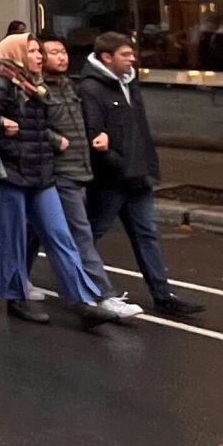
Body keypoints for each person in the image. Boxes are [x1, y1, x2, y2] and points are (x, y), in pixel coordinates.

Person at [0, 36, 128, 328]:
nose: (38, 56)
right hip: (12, 176)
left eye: (39, 51)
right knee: (13, 239)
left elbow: (41, 129)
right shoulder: (1, 86)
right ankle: (16, 300)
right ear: (14, 55)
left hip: (42, 174)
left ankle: (82, 301)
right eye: (31, 51)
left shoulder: (36, 87)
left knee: (61, 236)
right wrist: (17, 147)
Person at [78, 33, 205, 319]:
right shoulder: (90, 89)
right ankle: (80, 289)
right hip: (110, 181)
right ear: (106, 57)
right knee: (89, 235)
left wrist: (147, 166)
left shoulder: (129, 82)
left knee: (147, 235)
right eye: (125, 55)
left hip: (138, 177)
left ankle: (163, 295)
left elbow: (140, 131)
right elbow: (94, 136)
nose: (132, 59)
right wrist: (120, 164)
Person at [40, 38, 140, 318]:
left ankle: (15, 280)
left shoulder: (71, 86)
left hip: (80, 170)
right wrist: (55, 140)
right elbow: (31, 124)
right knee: (81, 233)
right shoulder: (39, 89)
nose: (61, 57)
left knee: (37, 232)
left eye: (63, 51)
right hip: (60, 172)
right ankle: (103, 295)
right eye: (52, 52)